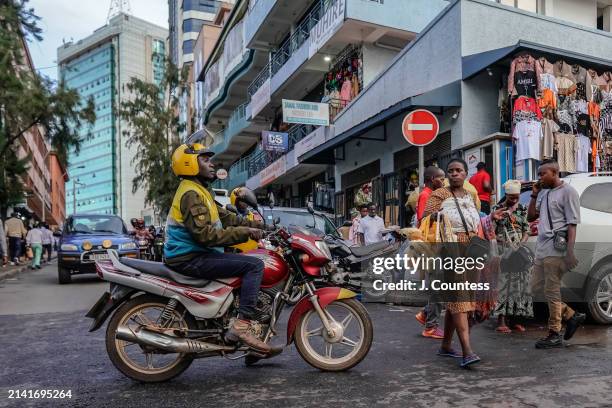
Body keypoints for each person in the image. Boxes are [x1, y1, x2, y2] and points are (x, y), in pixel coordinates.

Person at [164, 143, 281, 356]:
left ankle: (247, 335)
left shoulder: (200, 191)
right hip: (189, 257)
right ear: (189, 163)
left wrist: (262, 227)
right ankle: (242, 327)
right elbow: (206, 236)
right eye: (205, 160)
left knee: (241, 258)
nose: (212, 164)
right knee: (254, 265)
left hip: (196, 254)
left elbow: (226, 217)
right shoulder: (191, 194)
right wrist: (245, 232)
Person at [423, 158, 504, 368]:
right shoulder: (438, 195)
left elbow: (477, 221)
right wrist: (436, 217)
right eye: (450, 171)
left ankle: (446, 346)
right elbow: (424, 221)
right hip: (450, 248)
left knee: (459, 299)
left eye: (459, 170)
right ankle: (467, 350)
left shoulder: (469, 196)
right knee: (459, 297)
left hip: (472, 248)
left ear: (466, 174)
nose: (454, 174)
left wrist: (490, 217)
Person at [527, 160, 585, 349]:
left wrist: (569, 252)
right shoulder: (544, 193)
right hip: (542, 248)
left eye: (543, 174)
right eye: (539, 174)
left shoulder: (568, 192)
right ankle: (570, 314)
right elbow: (530, 217)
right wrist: (534, 195)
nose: (539, 177)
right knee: (536, 288)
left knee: (551, 290)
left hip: (556, 248)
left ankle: (554, 333)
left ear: (555, 172)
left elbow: (572, 224)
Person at [491, 180, 533, 334]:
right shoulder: (497, 209)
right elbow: (491, 230)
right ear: (506, 195)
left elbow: (526, 230)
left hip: (518, 251)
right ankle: (501, 320)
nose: (514, 200)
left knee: (520, 285)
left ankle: (516, 319)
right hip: (503, 251)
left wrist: (520, 245)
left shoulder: (522, 209)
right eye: (511, 197)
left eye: (516, 197)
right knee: (504, 285)